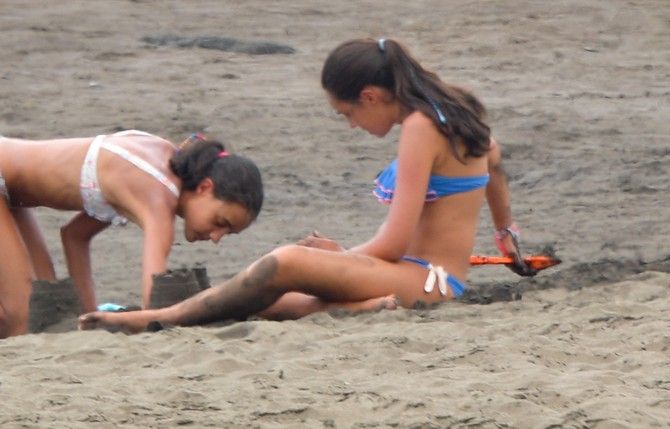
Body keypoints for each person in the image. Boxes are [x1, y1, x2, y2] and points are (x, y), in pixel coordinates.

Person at [80, 37, 522, 330]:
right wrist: (507, 234)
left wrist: (340, 256)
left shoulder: (421, 127)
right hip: (429, 277)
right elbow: (494, 160)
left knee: (286, 262)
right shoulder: (453, 109)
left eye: (348, 114)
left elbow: (393, 242)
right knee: (260, 297)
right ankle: (357, 308)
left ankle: (159, 318)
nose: (352, 125)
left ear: (370, 96)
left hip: (427, 282)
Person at [0, 131, 262, 336]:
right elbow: (154, 303)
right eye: (220, 222)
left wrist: (90, 318)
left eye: (227, 233)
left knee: (43, 310)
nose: (216, 237)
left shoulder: (158, 163)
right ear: (205, 187)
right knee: (19, 317)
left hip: (14, 191)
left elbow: (75, 236)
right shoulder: (159, 194)